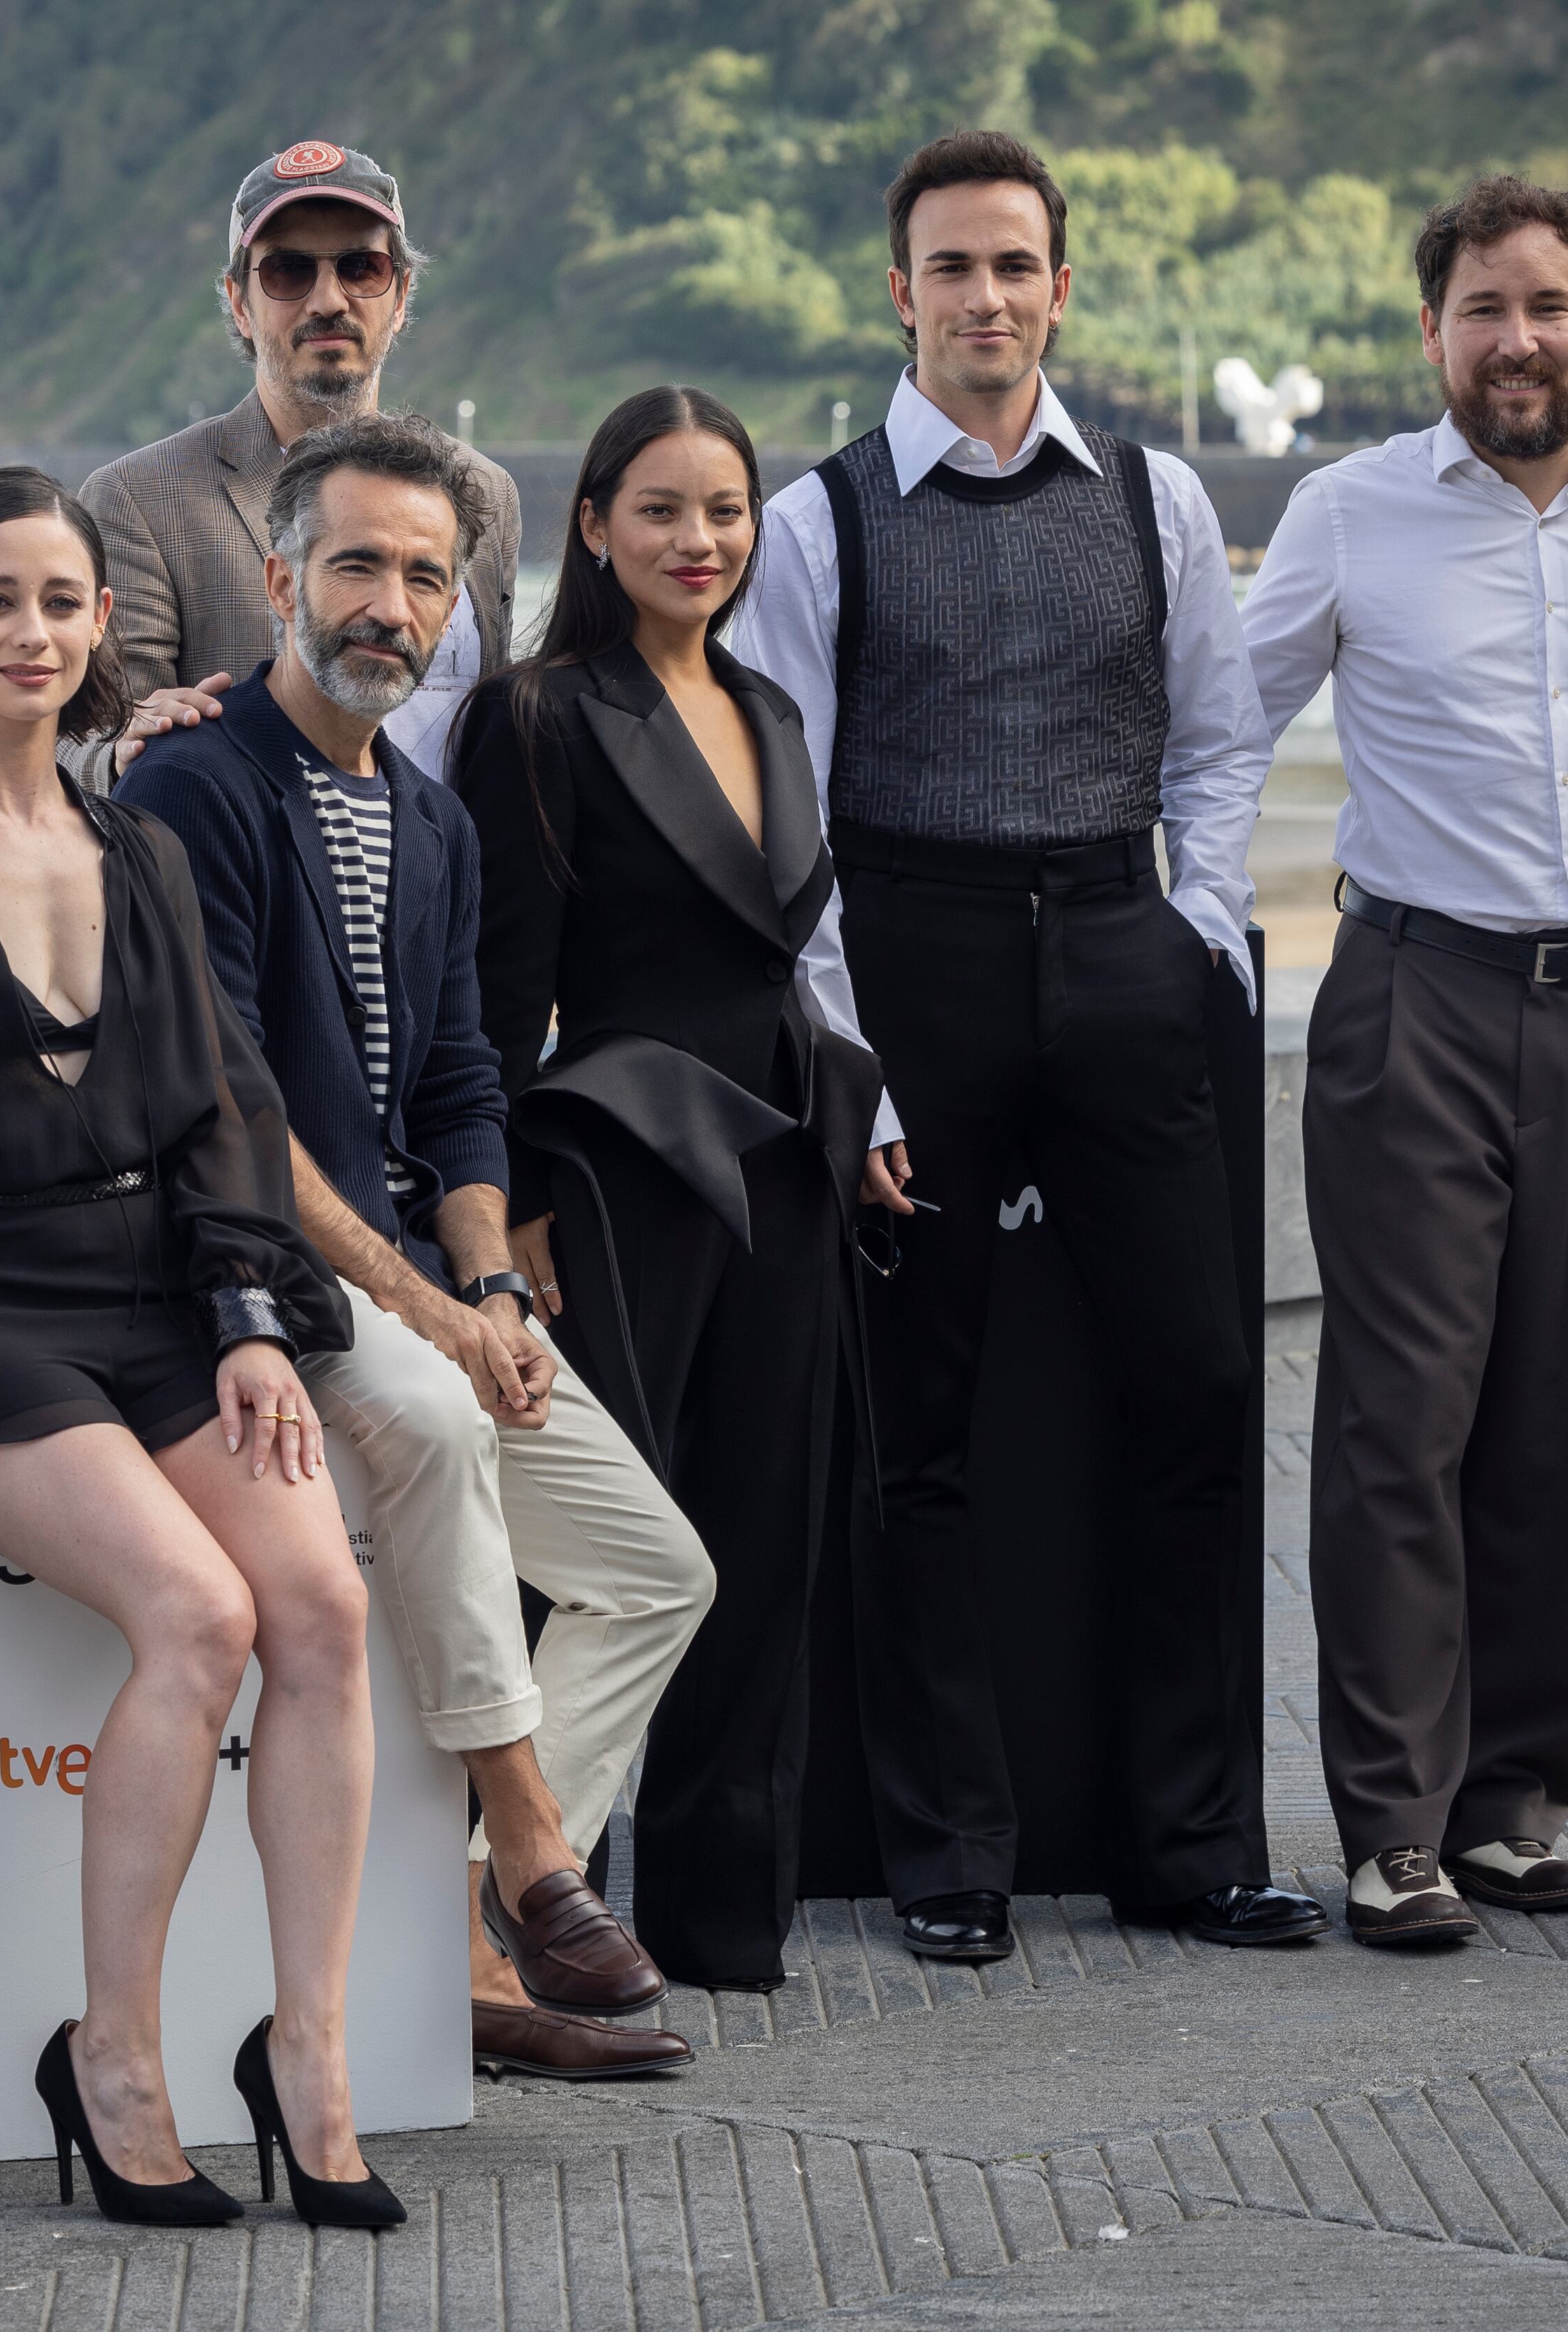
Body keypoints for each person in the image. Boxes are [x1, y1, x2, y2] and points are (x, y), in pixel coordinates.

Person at [729, 129, 1322, 1965]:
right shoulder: (818, 519)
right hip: (913, 958)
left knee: (1198, 1388)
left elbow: (1216, 736)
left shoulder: (1156, 497)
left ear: (1061, 289)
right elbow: (787, 812)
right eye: (951, 267)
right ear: (898, 293)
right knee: (916, 1423)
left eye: (1014, 266)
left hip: (1123, 944)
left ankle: (1191, 1843)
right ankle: (948, 1849)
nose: (984, 297)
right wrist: (851, 1056)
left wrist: (1198, 922)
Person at [0, 466, 400, 2225]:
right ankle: (113, 2053)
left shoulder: (140, 846)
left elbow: (219, 1106)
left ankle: (308, 2051)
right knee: (199, 1613)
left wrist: (246, 1316)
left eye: (62, 602)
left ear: (101, 624)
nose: (34, 633)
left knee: (322, 1608)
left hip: (150, 1293)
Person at [119, 413, 716, 2077]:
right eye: (358, 565)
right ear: (279, 579)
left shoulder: (438, 824)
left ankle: (460, 1915)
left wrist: (496, 1286)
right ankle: (531, 1854)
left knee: (656, 1570)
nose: (390, 604)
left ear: (459, 606)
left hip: (413, 1272)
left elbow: (461, 1088)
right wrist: (430, 1312)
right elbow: (231, 1105)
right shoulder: (195, 784)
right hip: (252, 1271)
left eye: (425, 578)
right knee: (444, 1411)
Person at [1240, 180, 1568, 1948]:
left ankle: (1514, 1806)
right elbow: (1221, 728)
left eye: (1547, 306)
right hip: (1418, 997)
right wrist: (1185, 921)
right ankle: (1393, 1827)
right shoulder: (1347, 510)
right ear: (1432, 334)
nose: (1517, 340)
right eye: (1481, 309)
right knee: (1400, 1421)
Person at [446, 388, 886, 1991]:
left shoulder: (770, 707)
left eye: (724, 510)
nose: (698, 540)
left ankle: (721, 1915)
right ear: (592, 526)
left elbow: (792, 950)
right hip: (611, 1166)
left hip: (784, 1159)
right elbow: (495, 994)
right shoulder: (534, 714)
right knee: (599, 1555)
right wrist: (501, 1211)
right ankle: (513, 1905)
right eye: (660, 509)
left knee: (766, 1536)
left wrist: (859, 1116)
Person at [79, 140, 519, 788]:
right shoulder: (140, 500)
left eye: (361, 267)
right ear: (239, 302)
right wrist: (120, 750)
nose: (328, 300)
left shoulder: (484, 492)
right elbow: (86, 737)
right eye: (288, 271)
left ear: (401, 296)